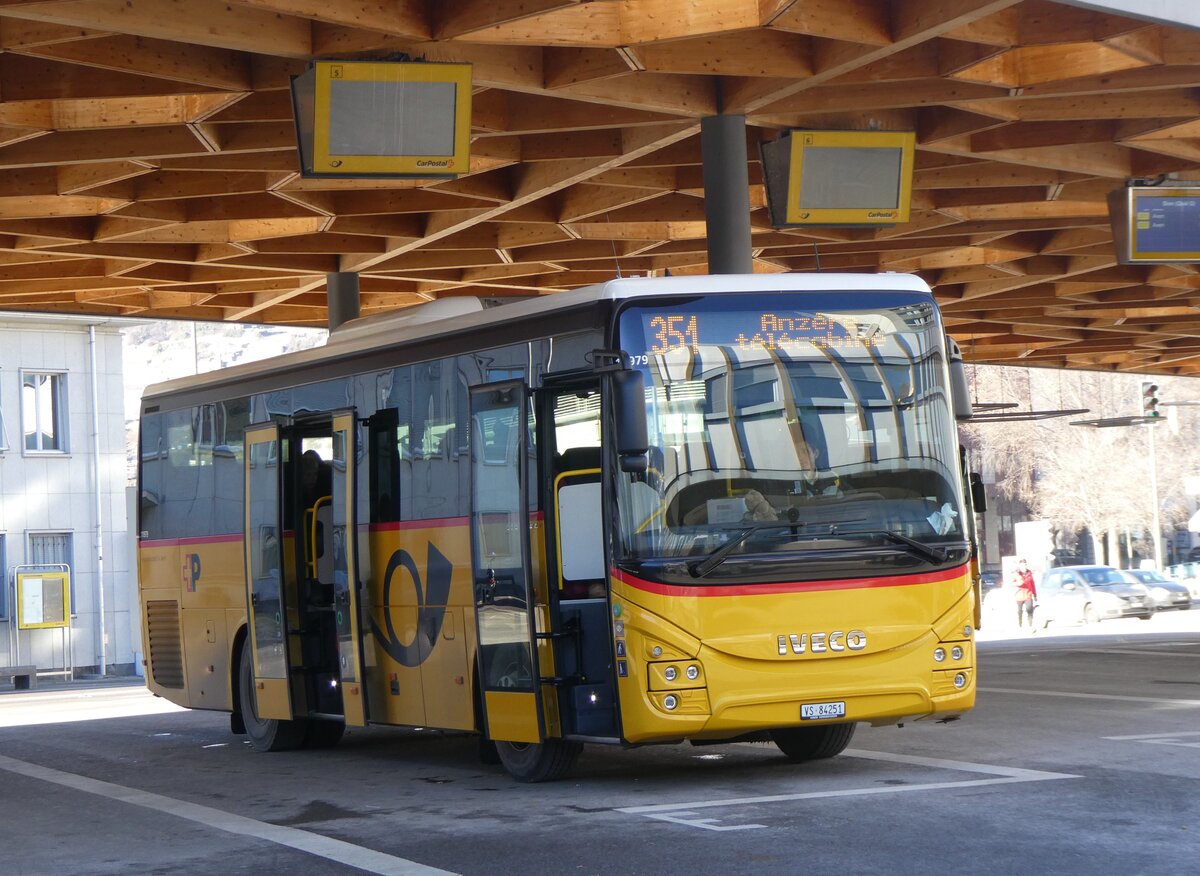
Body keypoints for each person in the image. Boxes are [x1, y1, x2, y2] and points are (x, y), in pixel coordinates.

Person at [1013, 558, 1037, 630]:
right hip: (1019, 595)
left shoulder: (1029, 574)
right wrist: (1018, 583)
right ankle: (1020, 624)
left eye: (1025, 565)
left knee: (1029, 609)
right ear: (1020, 566)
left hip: (1028, 594)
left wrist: (1035, 595)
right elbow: (1011, 583)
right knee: (1019, 611)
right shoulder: (1016, 574)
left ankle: (1030, 625)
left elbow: (1032, 584)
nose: (1024, 566)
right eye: (1022, 565)